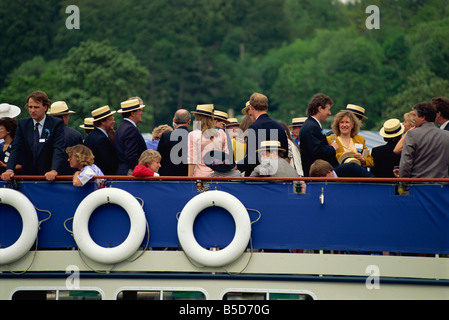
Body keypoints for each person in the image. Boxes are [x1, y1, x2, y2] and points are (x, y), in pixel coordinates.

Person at [1, 91, 66, 181]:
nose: (32, 110)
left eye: (36, 107)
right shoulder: (23, 124)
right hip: (28, 177)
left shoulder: (56, 124)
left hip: (50, 177)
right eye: (30, 107)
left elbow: (58, 148)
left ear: (45, 107)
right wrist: (9, 169)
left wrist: (54, 170)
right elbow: (16, 148)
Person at [237, 93, 288, 176]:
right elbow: (284, 154)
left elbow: (251, 159)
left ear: (251, 107)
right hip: (276, 175)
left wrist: (236, 166)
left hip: (257, 177)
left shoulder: (253, 128)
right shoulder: (279, 127)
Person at [399, 102, 449, 178]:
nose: (413, 118)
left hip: (417, 185)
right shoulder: (446, 135)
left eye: (415, 115)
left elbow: (406, 163)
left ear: (423, 117)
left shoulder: (412, 135)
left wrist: (403, 183)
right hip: (442, 186)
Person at [299, 93, 338, 177]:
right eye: (328, 109)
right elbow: (317, 152)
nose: (330, 113)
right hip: (317, 176)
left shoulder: (311, 125)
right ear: (320, 109)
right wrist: (332, 148)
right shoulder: (312, 127)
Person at [188, 104, 229, 177]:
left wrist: (189, 178)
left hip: (200, 176)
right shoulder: (222, 134)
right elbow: (226, 157)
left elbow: (192, 160)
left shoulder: (193, 135)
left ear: (197, 118)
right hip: (218, 176)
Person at [47, 101, 83, 175]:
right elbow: (81, 159)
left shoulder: (45, 134)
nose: (69, 118)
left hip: (47, 178)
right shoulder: (75, 135)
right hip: (71, 179)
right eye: (67, 116)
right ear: (64, 117)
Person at [114, 97, 148, 175]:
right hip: (130, 173)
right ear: (133, 113)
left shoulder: (121, 127)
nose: (142, 113)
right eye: (140, 110)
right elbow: (131, 156)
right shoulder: (130, 129)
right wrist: (139, 171)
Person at [83, 105, 118, 175]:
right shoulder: (102, 139)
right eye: (111, 119)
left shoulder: (90, 136)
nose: (113, 121)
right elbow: (109, 164)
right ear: (102, 122)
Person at [157, 109, 191, 176]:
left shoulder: (165, 136)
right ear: (189, 121)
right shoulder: (193, 136)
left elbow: (159, 157)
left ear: (174, 120)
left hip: (167, 177)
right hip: (186, 177)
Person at [309, 159, 374, 178]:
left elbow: (373, 180)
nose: (322, 184)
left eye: (322, 180)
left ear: (329, 172)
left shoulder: (351, 168)